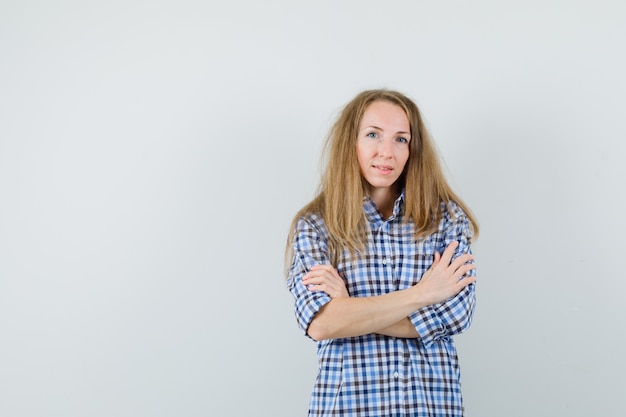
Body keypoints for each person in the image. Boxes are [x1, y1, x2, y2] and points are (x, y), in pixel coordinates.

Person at [285, 89, 479, 417]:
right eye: (373, 135)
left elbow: (457, 314)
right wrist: (425, 293)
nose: (386, 152)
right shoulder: (316, 225)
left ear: (413, 149)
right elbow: (321, 322)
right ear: (351, 142)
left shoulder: (447, 218)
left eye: (401, 139)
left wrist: (349, 312)